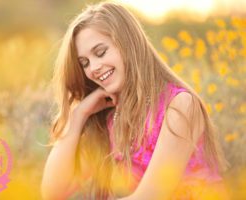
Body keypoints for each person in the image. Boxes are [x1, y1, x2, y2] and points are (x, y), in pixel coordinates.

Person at [41, 1, 230, 199]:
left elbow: (150, 196)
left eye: (100, 52)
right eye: (85, 63)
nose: (93, 68)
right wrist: (78, 116)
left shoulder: (179, 106)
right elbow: (53, 193)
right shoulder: (111, 119)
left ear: (128, 44)